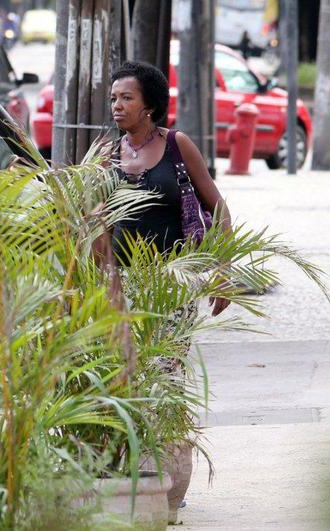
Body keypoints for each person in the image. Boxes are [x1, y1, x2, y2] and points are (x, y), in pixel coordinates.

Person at [105, 61, 232, 517]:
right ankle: (139, 480)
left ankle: (170, 488)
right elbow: (97, 227)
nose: (117, 105)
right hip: (120, 286)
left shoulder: (177, 146)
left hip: (171, 285)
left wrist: (221, 269)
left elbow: (218, 207)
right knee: (125, 379)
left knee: (164, 378)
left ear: (150, 104)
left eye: (127, 98)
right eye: (114, 98)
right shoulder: (106, 154)